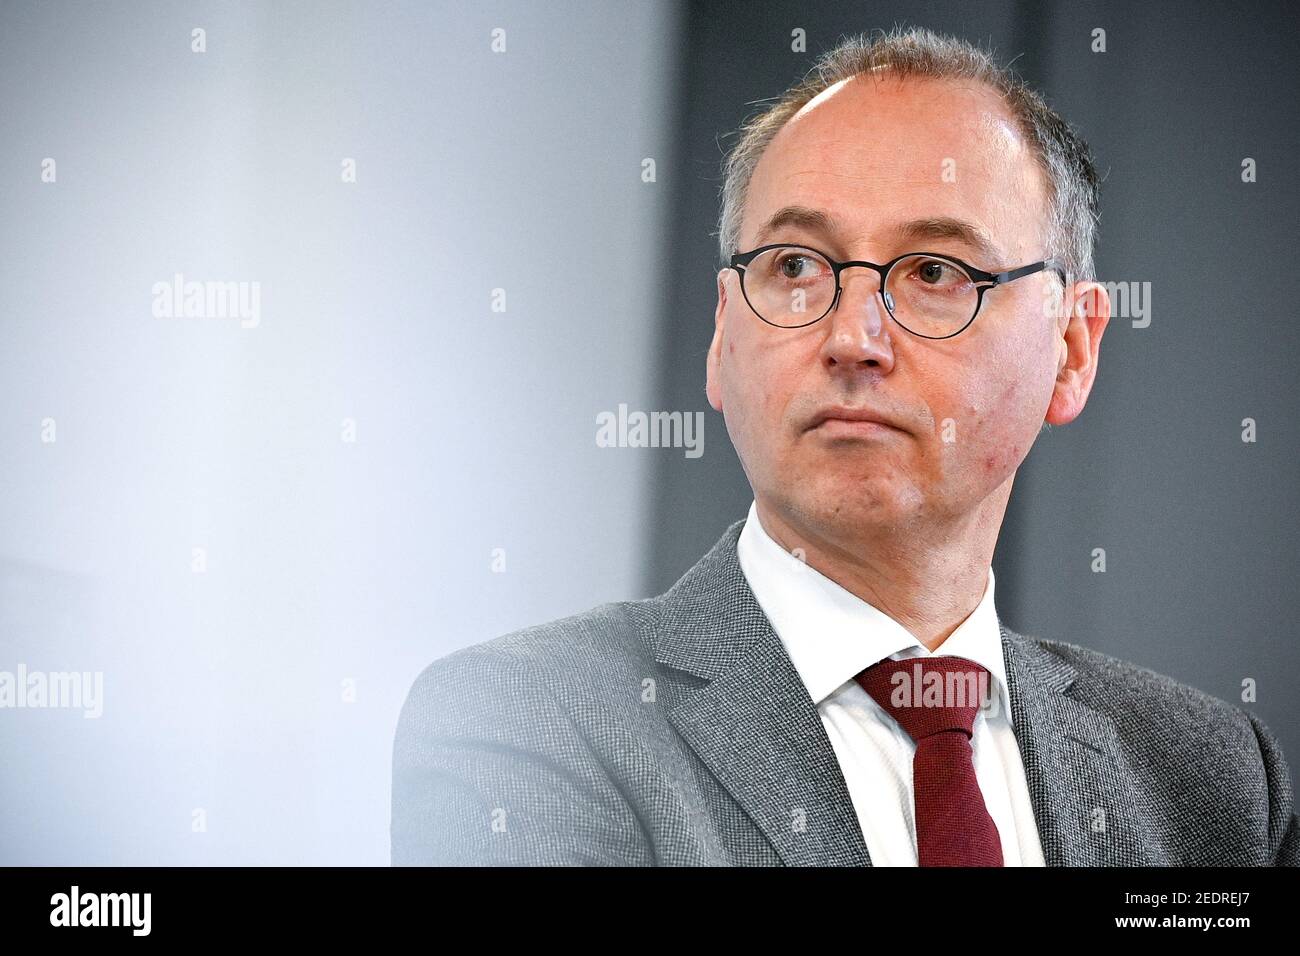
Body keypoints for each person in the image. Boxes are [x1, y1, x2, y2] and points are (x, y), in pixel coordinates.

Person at [390, 25, 1298, 866]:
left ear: (1072, 349)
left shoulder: (1213, 780)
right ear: (721, 338)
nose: (852, 336)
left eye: (935, 272)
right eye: (793, 266)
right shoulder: (534, 723)